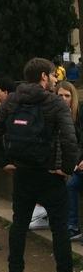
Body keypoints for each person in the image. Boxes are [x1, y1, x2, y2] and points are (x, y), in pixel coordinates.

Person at [0, 57, 83, 272]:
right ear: (43, 76)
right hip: (51, 174)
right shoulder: (55, 103)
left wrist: (4, 162)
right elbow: (69, 140)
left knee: (19, 225)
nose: (54, 79)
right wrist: (67, 168)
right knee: (60, 230)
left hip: (22, 172)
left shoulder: (13, 101)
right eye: (51, 75)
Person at [55, 81, 83, 240]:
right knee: (70, 185)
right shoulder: (53, 114)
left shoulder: (79, 114)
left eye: (67, 96)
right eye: (60, 95)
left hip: (77, 162)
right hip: (69, 164)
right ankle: (71, 226)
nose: (64, 99)